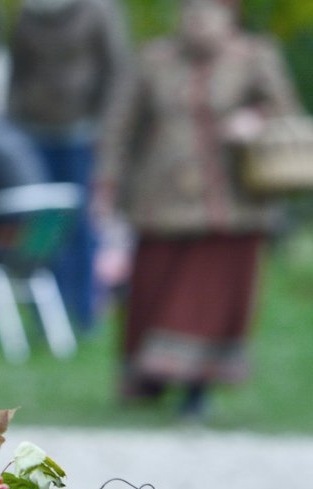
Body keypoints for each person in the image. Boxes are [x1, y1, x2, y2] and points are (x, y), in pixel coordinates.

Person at [93, 0, 301, 422]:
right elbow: (120, 126)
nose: (197, 21)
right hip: (161, 201)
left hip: (232, 206)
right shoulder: (153, 60)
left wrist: (254, 120)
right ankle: (149, 380)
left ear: (230, 17)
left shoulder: (255, 57)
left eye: (208, 13)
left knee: (211, 299)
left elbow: (287, 113)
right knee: (155, 291)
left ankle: (197, 387)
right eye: (190, 12)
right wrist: (107, 184)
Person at [8, 0, 130, 332]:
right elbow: (18, 69)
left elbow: (116, 70)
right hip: (33, 132)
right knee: (42, 226)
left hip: (83, 133)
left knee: (81, 223)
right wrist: (13, 119)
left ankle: (85, 311)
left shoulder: (98, 10)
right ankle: (47, 317)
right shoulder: (28, 12)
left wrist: (108, 128)